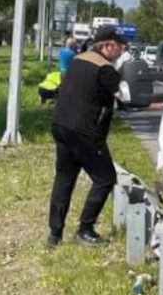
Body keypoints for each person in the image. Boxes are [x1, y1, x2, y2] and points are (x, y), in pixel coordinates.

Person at [48, 26, 132, 247]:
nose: (122, 50)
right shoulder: (105, 69)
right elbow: (125, 98)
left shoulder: (78, 59)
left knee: (64, 178)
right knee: (105, 178)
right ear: (107, 46)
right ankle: (85, 230)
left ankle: (55, 234)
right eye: (120, 46)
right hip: (85, 131)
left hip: (61, 125)